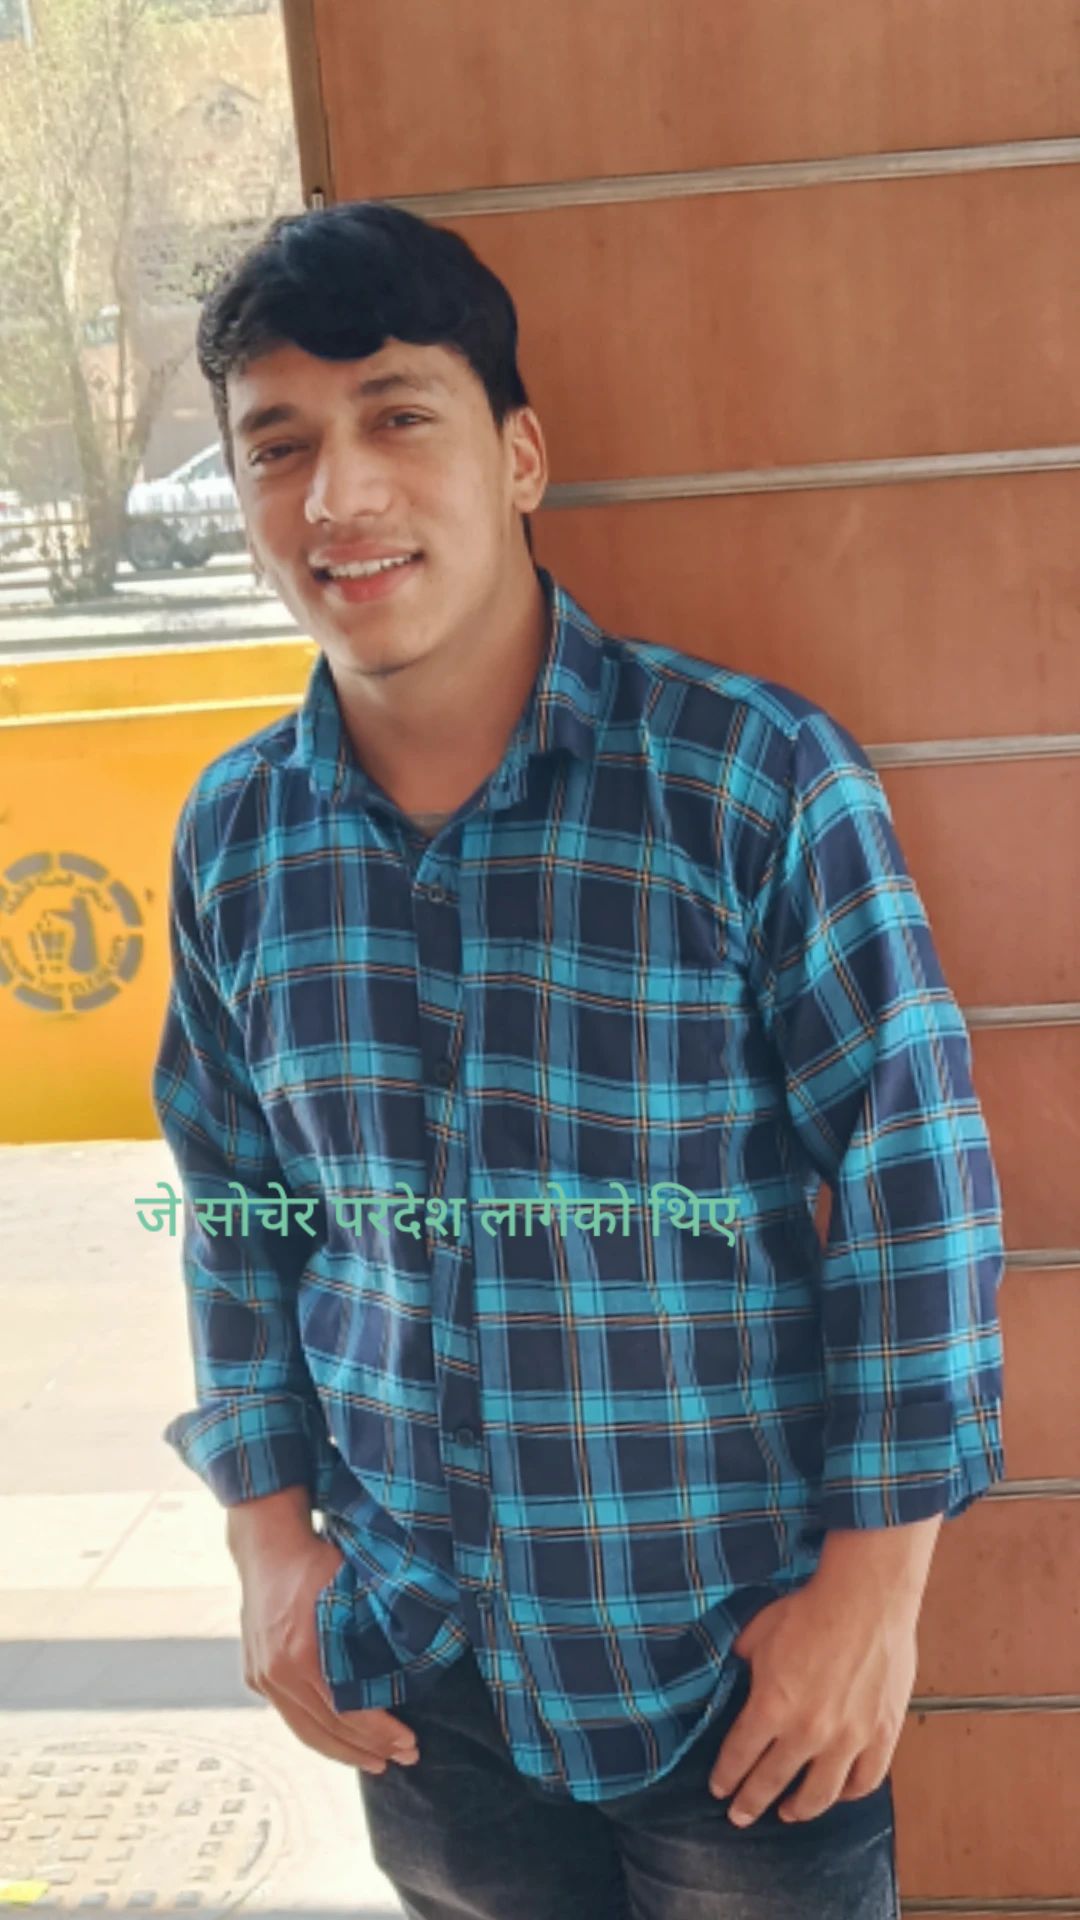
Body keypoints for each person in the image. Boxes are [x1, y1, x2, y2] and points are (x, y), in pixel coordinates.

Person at [152, 201, 1006, 1920]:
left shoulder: (751, 782)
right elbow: (236, 1209)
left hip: (731, 1673)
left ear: (520, 454)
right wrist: (268, 1545)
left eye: (399, 415)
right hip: (418, 1676)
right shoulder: (236, 838)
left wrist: (873, 1597)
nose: (339, 496)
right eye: (279, 446)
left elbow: (915, 1192)